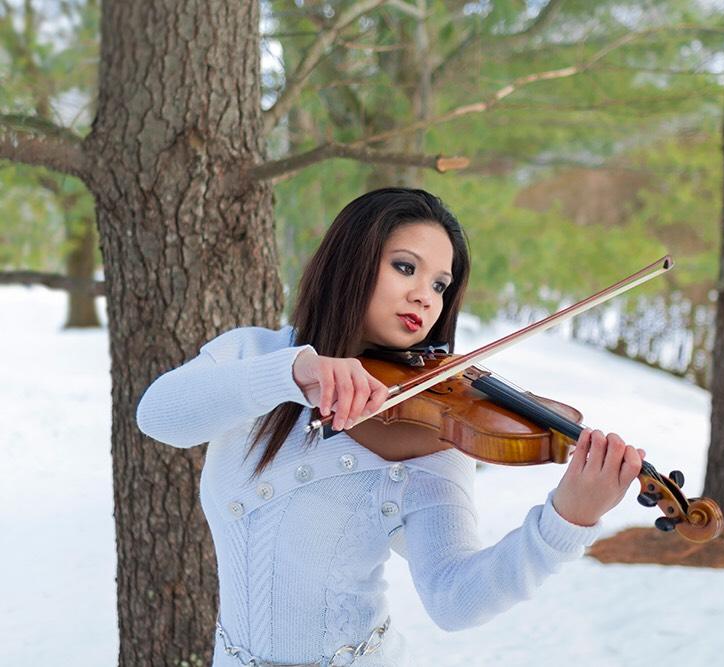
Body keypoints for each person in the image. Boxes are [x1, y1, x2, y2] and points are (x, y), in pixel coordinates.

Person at [136, 187, 646, 667]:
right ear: (349, 263)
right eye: (406, 267)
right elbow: (159, 416)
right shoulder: (255, 356)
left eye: (440, 285)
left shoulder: (428, 434)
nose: (426, 297)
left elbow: (455, 600)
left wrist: (565, 523)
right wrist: (294, 372)